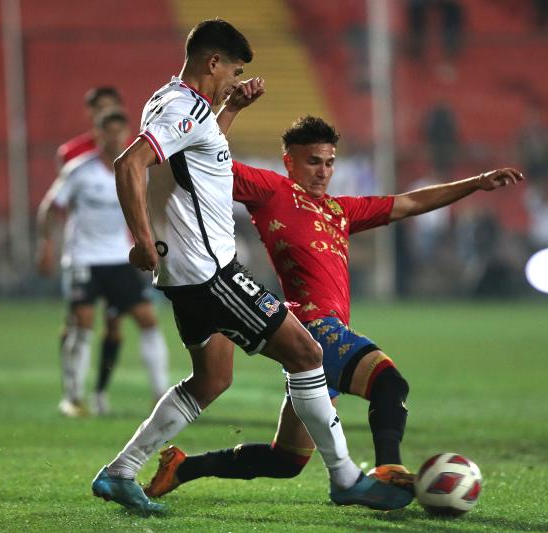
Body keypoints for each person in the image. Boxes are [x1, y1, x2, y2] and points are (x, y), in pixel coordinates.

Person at [90, 18, 412, 516]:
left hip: (188, 277)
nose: (232, 80)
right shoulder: (182, 109)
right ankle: (346, 478)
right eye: (232, 71)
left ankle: (120, 471)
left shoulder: (178, 105)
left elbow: (201, 158)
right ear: (211, 62)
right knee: (306, 354)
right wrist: (141, 241)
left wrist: (231, 108)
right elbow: (129, 164)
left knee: (212, 379)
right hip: (210, 272)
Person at [143, 109, 524, 498]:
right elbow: (208, 160)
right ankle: (389, 468)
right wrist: (225, 112)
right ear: (289, 160)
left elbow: (407, 203)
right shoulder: (273, 190)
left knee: (286, 460)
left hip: (314, 341)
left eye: (329, 163)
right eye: (313, 162)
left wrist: (475, 184)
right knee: (389, 383)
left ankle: (183, 467)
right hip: (312, 328)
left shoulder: (340, 211)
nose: (323, 172)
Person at [36, 110, 170, 416]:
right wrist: (46, 245)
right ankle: (72, 398)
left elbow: (148, 210)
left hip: (119, 258)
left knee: (148, 320)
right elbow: (49, 208)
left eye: (119, 132)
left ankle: (160, 395)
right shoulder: (79, 171)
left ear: (126, 135)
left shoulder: (136, 169)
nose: (114, 138)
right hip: (83, 259)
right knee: (82, 324)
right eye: (107, 132)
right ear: (97, 135)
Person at [48, 86, 136, 415]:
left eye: (113, 107)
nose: (107, 113)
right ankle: (72, 391)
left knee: (121, 323)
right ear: (93, 117)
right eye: (101, 109)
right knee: (77, 320)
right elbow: (62, 203)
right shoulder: (73, 154)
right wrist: (53, 244)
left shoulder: (132, 154)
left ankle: (100, 391)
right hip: (84, 252)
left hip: (118, 251)